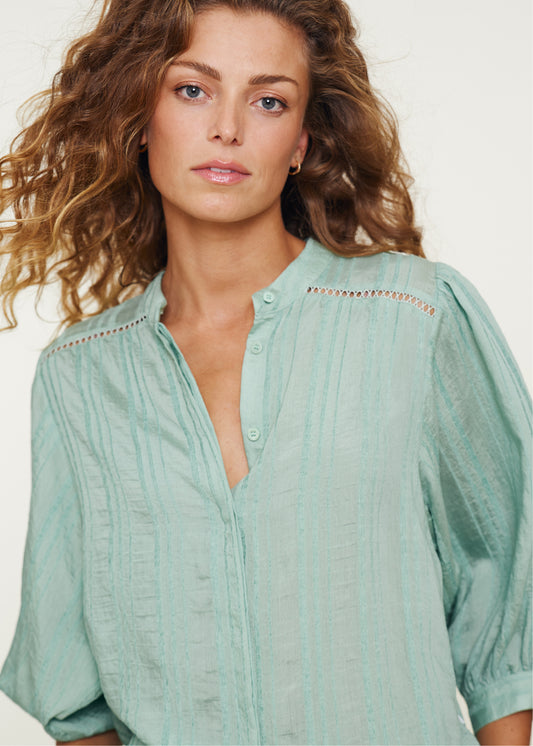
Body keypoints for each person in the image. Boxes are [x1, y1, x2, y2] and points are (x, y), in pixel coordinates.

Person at [0, 0, 531, 744]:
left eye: (268, 101)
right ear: (139, 118)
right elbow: (72, 691)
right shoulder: (82, 375)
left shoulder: (414, 316)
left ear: (301, 142)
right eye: (193, 90)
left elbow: (507, 614)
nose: (228, 128)